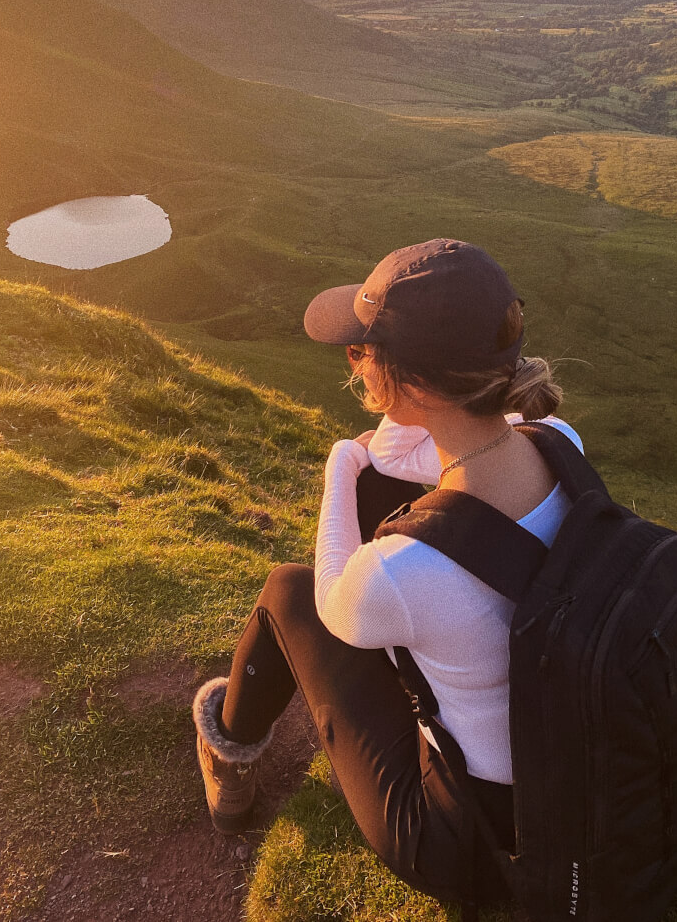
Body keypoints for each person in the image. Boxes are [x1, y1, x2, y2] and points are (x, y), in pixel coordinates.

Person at [191, 238, 581, 907]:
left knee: (288, 591)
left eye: (361, 350)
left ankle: (229, 758)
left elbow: (331, 599)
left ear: (417, 382)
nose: (357, 361)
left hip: (472, 844)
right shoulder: (561, 444)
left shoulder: (401, 575)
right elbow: (469, 460)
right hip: (580, 787)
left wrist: (343, 462)